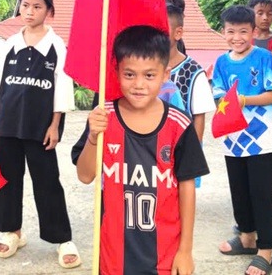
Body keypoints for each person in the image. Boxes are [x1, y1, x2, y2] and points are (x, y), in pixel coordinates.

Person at [74, 25, 209, 275]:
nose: (138, 84)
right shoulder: (103, 117)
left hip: (164, 253)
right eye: (129, 74)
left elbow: (187, 188)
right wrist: (93, 137)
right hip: (113, 253)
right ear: (116, 72)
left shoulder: (179, 125)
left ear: (165, 74)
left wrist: (185, 250)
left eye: (149, 75)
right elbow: (84, 175)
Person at [0, 0, 80, 268]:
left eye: (37, 7)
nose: (29, 11)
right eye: (25, 5)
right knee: (8, 180)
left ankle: (62, 238)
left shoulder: (56, 46)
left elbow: (62, 89)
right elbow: (1, 86)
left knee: (47, 182)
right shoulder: (11, 43)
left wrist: (55, 125)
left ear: (49, 11)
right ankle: (11, 231)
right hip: (9, 124)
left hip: (40, 127)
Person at [213, 5, 272, 275]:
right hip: (233, 139)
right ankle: (246, 238)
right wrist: (227, 102)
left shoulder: (264, 57)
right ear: (223, 32)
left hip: (261, 140)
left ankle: (265, 251)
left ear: (253, 31)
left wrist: (244, 100)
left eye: (243, 31)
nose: (237, 37)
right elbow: (218, 95)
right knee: (239, 192)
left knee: (260, 194)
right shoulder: (221, 62)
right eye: (231, 32)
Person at [167, 2, 216, 140]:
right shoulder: (144, 67)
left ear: (178, 33)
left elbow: (199, 118)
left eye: (162, 29)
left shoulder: (194, 73)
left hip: (181, 146)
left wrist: (193, 150)